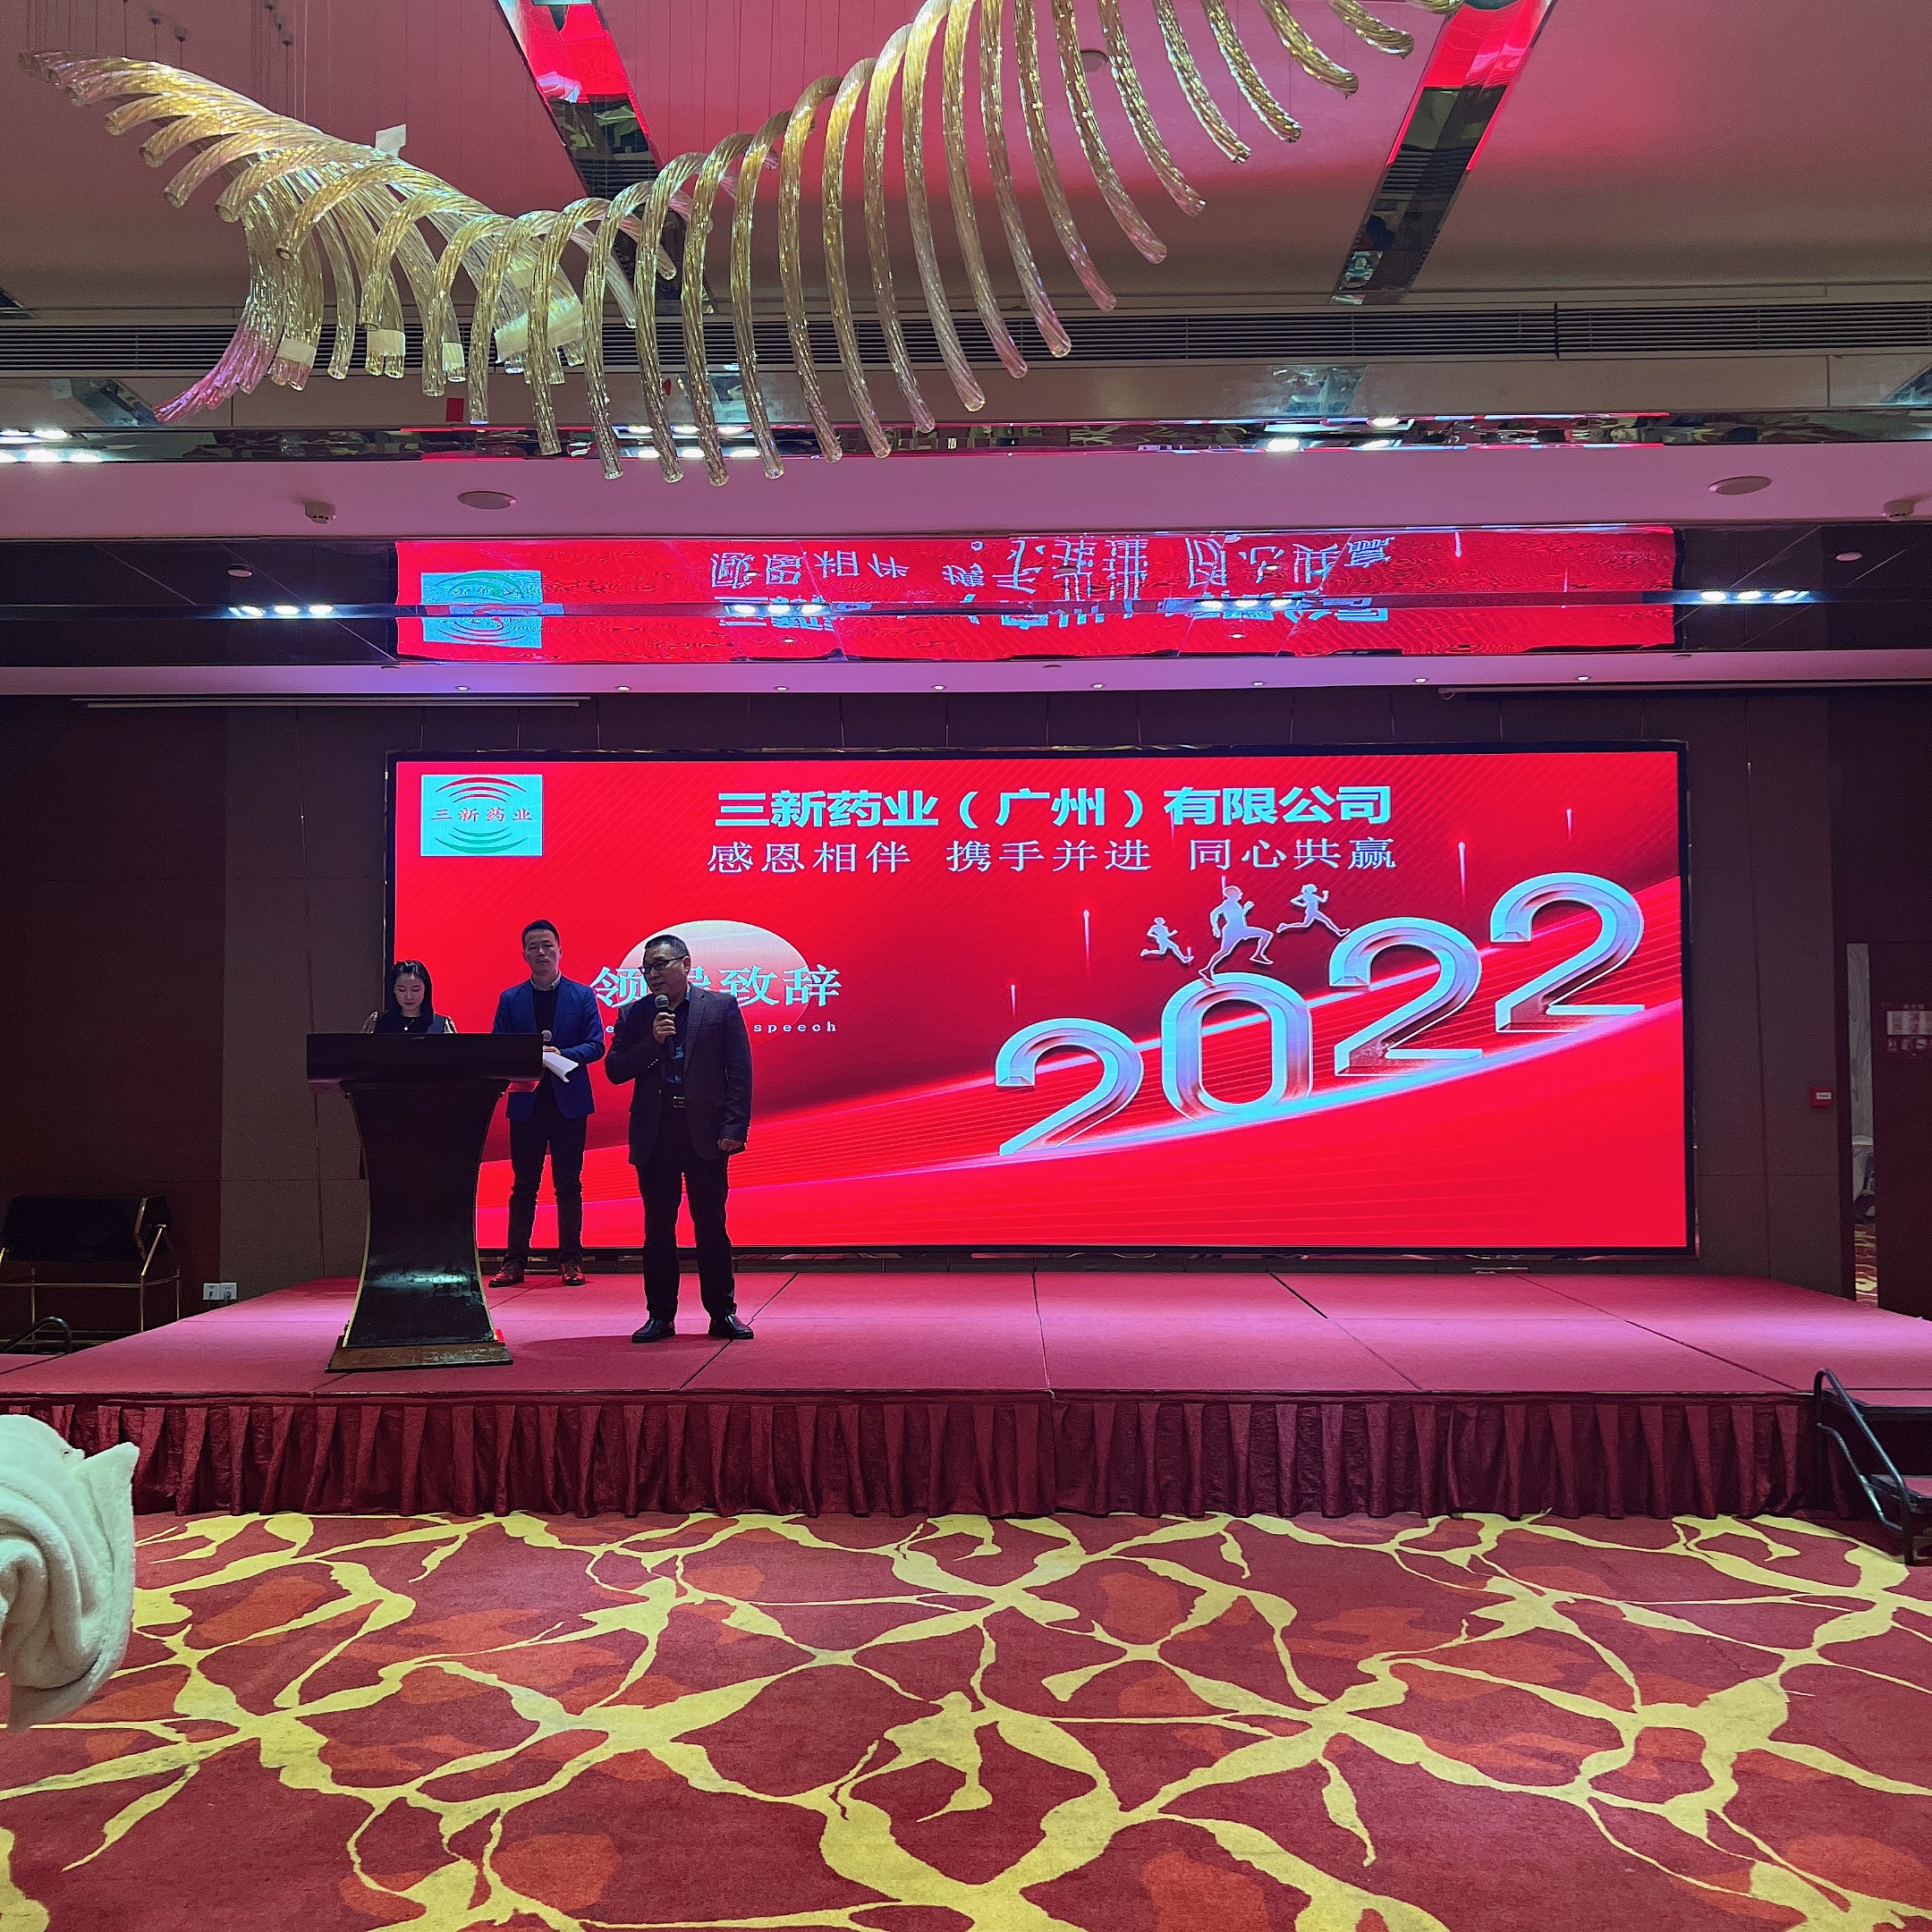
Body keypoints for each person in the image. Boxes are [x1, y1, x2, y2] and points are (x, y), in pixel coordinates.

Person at [606, 931, 754, 1343]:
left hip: (706, 1132)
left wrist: (734, 1128)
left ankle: (722, 1313)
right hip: (656, 1133)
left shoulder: (721, 1007)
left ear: (686, 965)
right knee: (658, 1228)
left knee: (711, 1224)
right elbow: (615, 1070)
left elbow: (739, 1072)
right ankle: (660, 1315)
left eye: (661, 965)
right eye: (646, 968)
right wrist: (652, 1042)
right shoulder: (635, 1015)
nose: (652, 974)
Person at [489, 919, 605, 1288]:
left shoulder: (582, 995)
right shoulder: (511, 999)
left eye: (547, 945)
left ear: (559, 950)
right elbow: (497, 1047)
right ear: (524, 954)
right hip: (527, 1103)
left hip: (569, 1102)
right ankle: (514, 1261)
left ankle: (571, 1260)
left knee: (568, 1184)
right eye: (533, 947)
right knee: (524, 1184)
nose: (541, 952)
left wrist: (561, 1054)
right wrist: (529, 1057)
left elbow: (597, 1045)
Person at [363, 959, 457, 1035]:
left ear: (426, 989)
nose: (409, 997)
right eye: (402, 990)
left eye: (415, 990)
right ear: (394, 990)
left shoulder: (441, 1025)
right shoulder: (377, 1021)